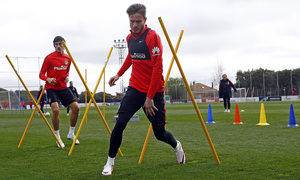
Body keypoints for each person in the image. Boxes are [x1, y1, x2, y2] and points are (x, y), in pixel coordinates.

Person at [102, 3, 185, 176]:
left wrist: (149, 97)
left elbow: (157, 69)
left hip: (154, 92)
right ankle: (109, 162)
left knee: (159, 134)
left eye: (138, 21)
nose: (134, 25)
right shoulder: (129, 38)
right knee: (120, 122)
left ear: (145, 20)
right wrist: (118, 74)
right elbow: (131, 58)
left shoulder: (152, 37)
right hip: (135, 88)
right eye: (131, 21)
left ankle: (177, 146)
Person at [39, 36, 80, 148]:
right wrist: (48, 79)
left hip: (63, 87)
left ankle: (71, 134)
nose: (58, 46)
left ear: (64, 45)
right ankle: (57, 137)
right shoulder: (49, 58)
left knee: (76, 108)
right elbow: (41, 74)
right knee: (56, 110)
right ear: (54, 46)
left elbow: (66, 72)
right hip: (51, 88)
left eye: (60, 44)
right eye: (56, 44)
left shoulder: (68, 58)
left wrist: (67, 77)